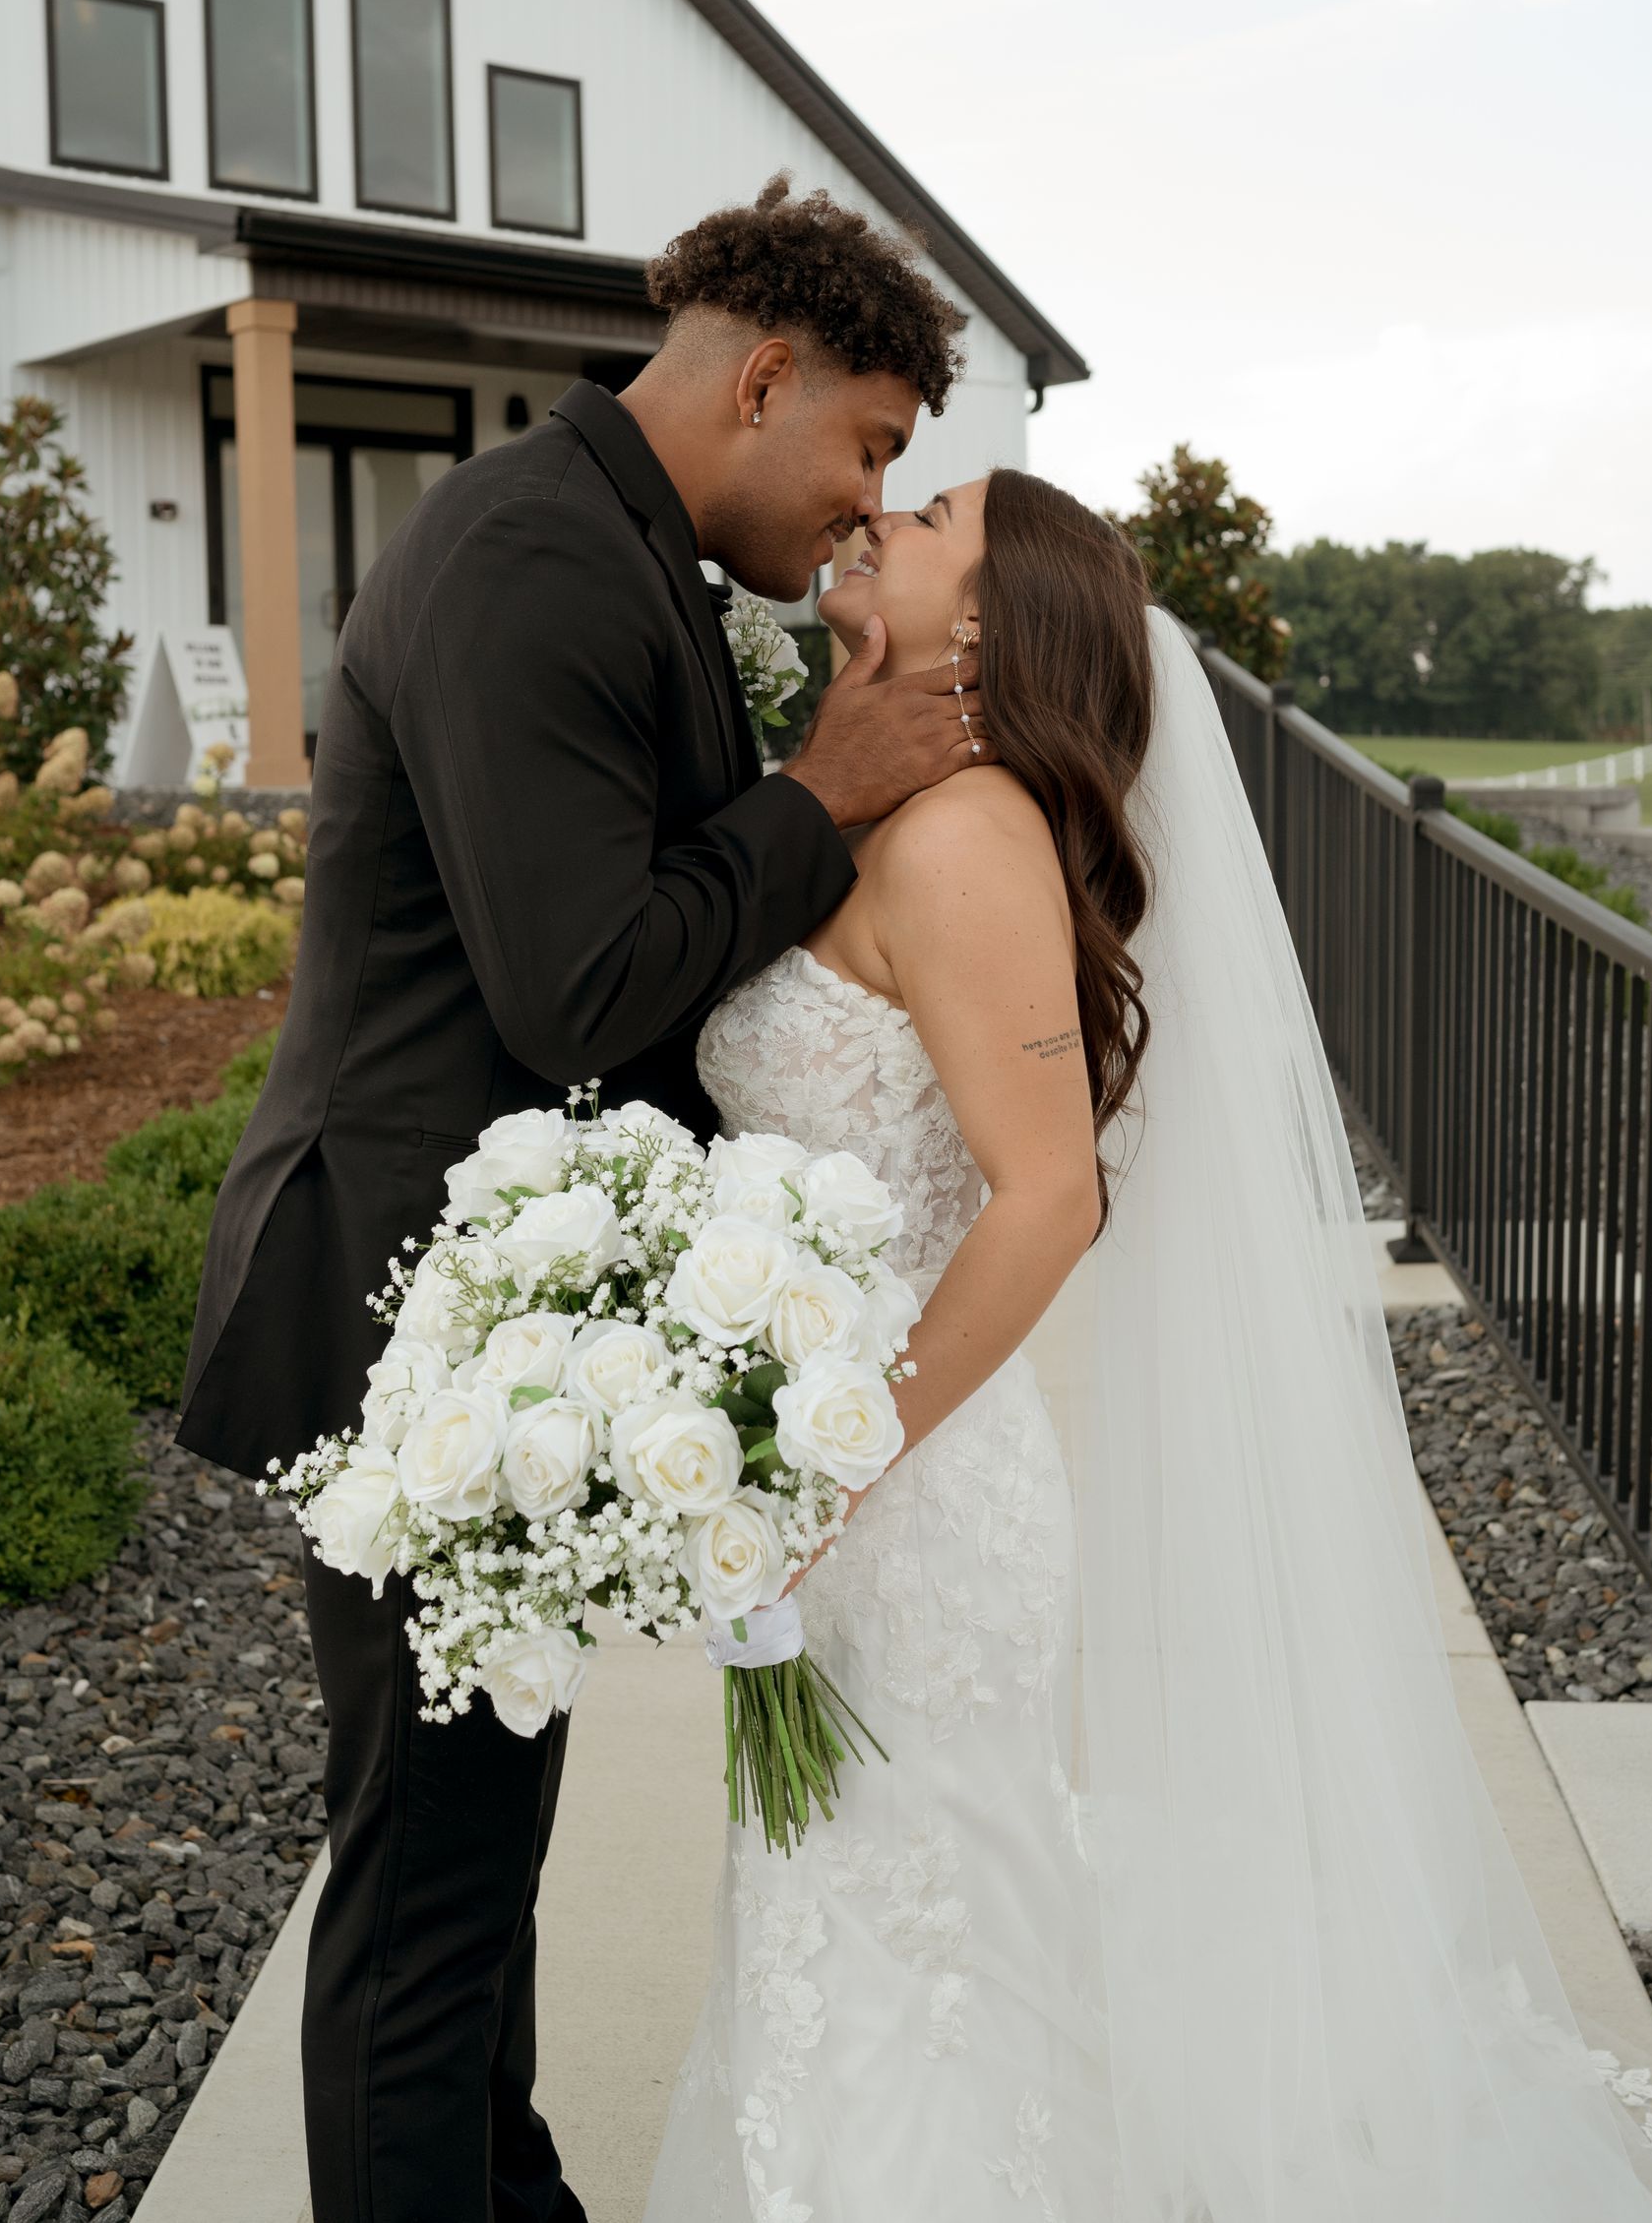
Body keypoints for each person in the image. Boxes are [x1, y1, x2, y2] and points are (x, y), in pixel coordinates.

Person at [648, 468, 1652, 2221]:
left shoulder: (969, 833)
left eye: (926, 523)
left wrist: (829, 1458)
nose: (875, 520)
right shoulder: (849, 806)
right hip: (829, 1471)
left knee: (922, 1923)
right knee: (853, 1919)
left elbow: (1049, 1197)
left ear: (982, 627)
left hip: (908, 1493)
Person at [177, 176, 993, 2223]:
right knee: (425, 1891)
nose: (866, 500)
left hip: (490, 1306)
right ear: (767, 374)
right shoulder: (536, 556)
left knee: (475, 1868)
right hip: (405, 1318)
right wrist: (828, 793)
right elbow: (580, 984)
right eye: (872, 449)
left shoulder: (611, 544)